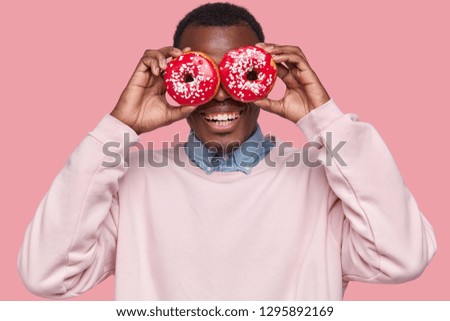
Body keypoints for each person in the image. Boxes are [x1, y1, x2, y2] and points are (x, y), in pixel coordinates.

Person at [18, 2, 436, 300]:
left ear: (267, 74)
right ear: (171, 80)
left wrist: (325, 120)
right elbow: (47, 275)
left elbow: (402, 257)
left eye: (240, 74)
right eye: (201, 74)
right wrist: (119, 127)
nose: (220, 96)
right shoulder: (130, 185)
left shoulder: (323, 184)